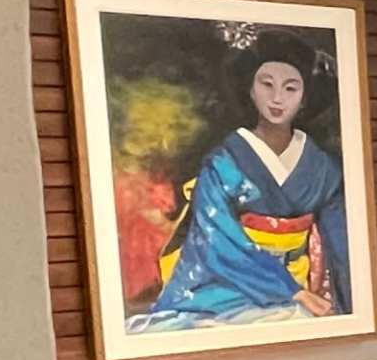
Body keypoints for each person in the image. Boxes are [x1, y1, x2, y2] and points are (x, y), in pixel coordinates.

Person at [136, 32, 351, 328]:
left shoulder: (324, 169)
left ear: (304, 98)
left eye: (291, 88)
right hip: (227, 286)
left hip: (302, 283)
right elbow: (216, 238)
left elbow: (341, 244)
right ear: (250, 89)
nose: (277, 98)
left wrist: (348, 303)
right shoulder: (224, 162)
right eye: (267, 84)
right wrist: (291, 291)